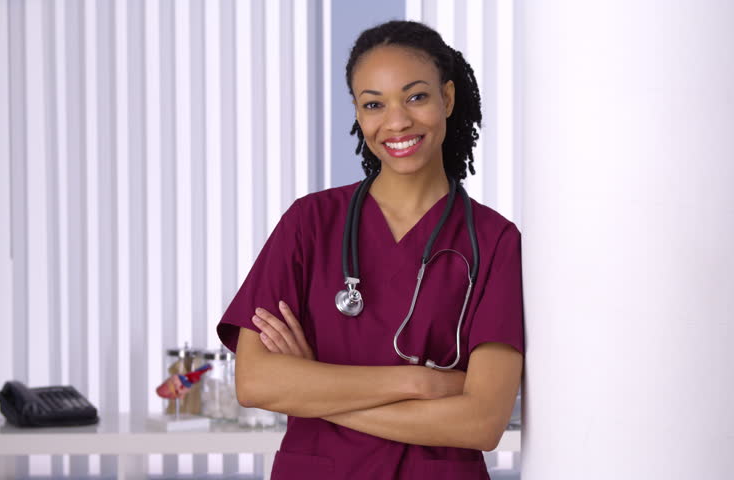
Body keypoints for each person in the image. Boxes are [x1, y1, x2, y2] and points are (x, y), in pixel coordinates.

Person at [216, 20, 525, 480]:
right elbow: (257, 382)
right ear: (359, 116)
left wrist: (313, 388)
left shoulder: (494, 240)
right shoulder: (310, 223)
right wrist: (419, 382)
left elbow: (481, 423)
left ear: (448, 98)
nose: (396, 121)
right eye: (374, 104)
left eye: (416, 96)